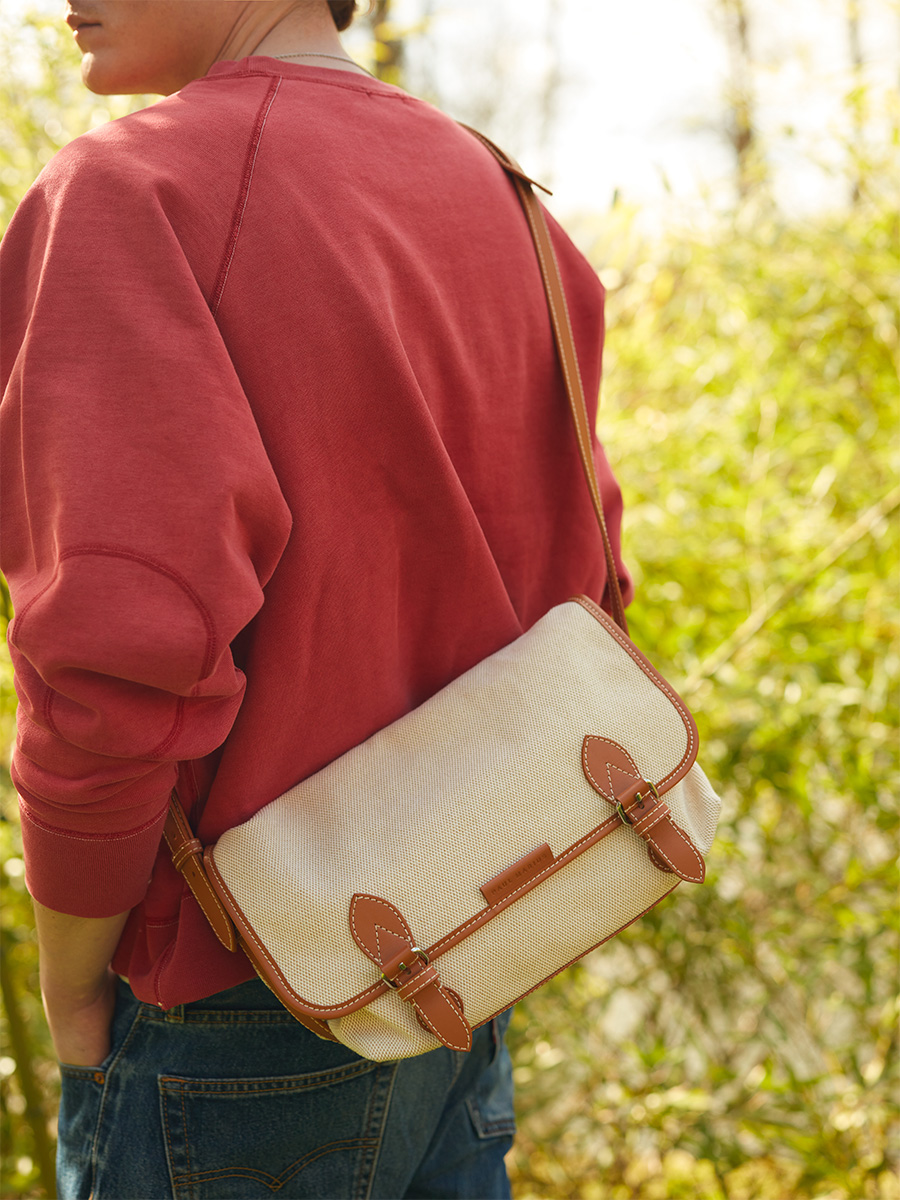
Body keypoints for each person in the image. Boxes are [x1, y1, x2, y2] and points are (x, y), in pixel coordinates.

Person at [0, 2, 632, 1196]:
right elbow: (594, 575)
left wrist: (71, 970)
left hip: (239, 996)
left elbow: (115, 653)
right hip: (468, 955)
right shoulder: (502, 193)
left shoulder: (133, 193)